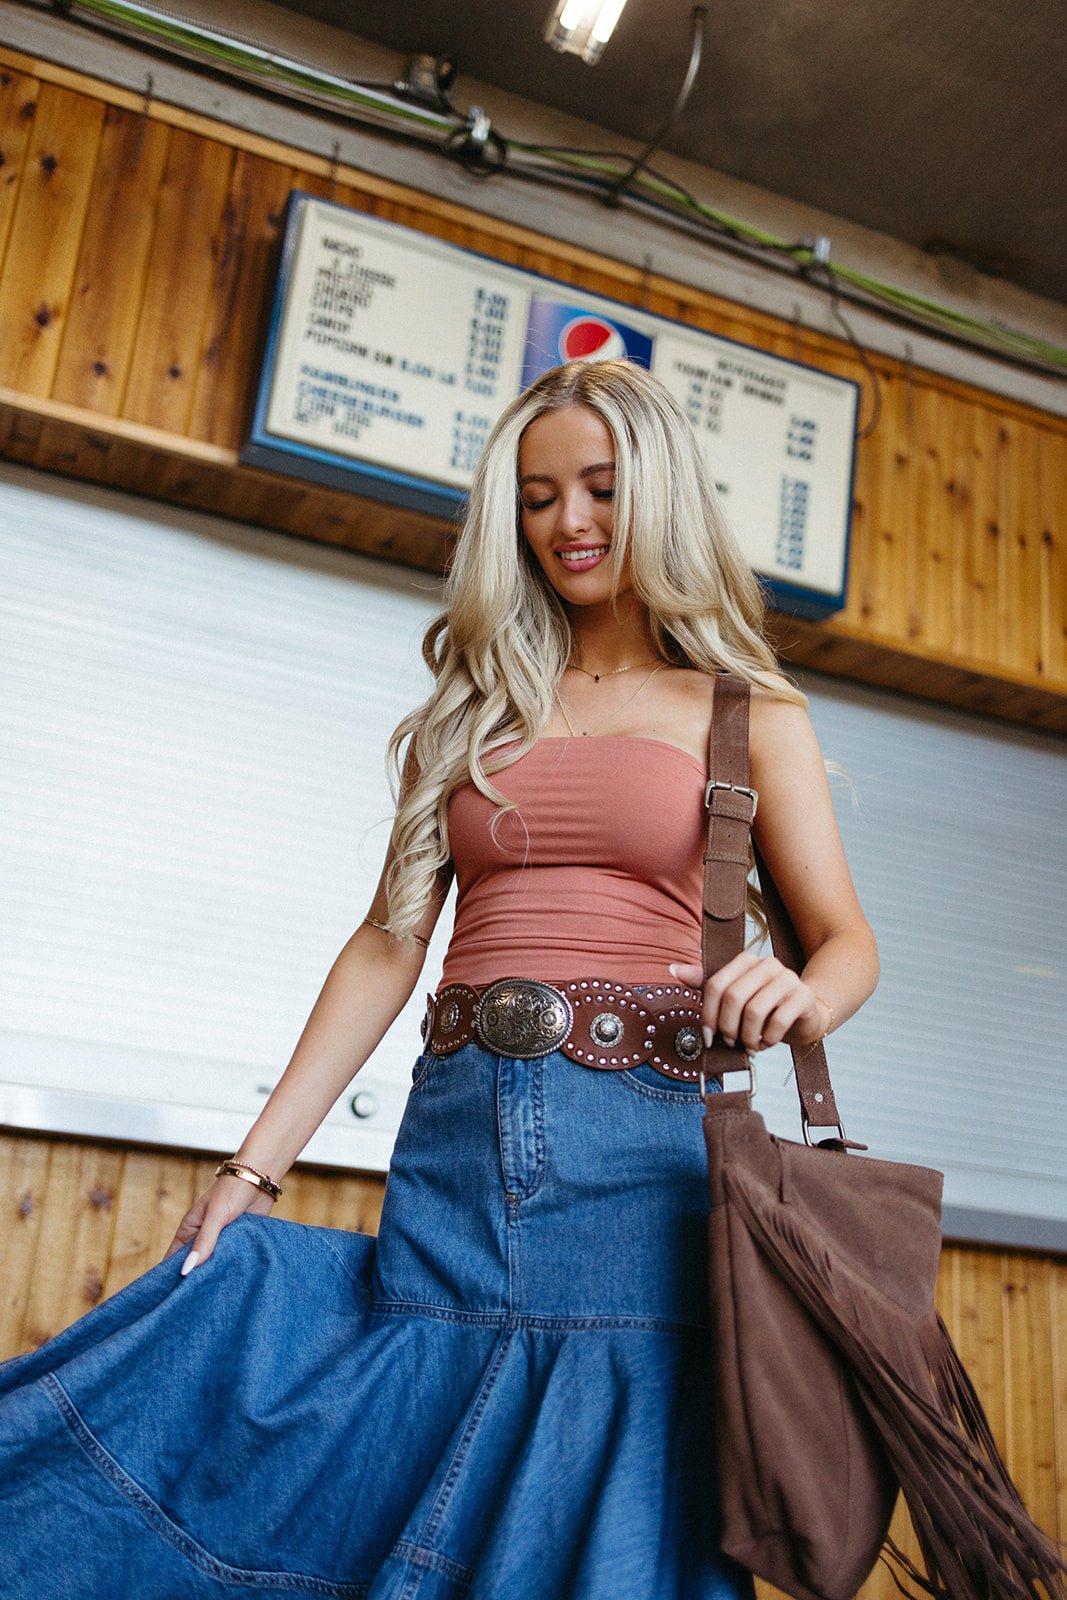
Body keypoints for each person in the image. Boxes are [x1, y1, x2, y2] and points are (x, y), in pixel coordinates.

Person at [0, 358, 878, 1599]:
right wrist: (255, 1164)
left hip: (643, 1160)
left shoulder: (747, 713)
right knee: (296, 1366)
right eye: (534, 496)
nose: (566, 523)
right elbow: (384, 945)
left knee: (609, 1512)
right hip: (455, 1141)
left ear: (661, 496)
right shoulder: (469, 711)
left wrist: (806, 995)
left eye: (598, 488)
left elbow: (844, 941)